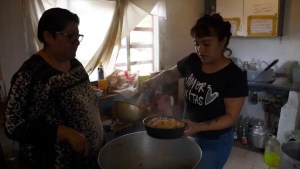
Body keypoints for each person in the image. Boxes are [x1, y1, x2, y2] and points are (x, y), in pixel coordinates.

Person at [141, 13, 248, 169]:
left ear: (223, 41)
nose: (200, 49)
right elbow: (171, 74)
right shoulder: (192, 61)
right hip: (187, 132)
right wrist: (150, 82)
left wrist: (198, 127)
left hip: (215, 140)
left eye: (206, 44)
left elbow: (231, 117)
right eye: (196, 43)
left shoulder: (234, 76)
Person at [4, 8, 105, 169]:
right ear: (48, 36)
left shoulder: (75, 65)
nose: (77, 42)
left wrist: (97, 131)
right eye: (70, 36)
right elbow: (13, 125)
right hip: (55, 163)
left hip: (86, 159)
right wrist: (62, 132)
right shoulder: (31, 74)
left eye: (77, 36)